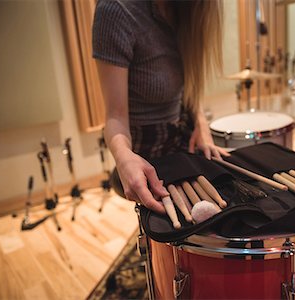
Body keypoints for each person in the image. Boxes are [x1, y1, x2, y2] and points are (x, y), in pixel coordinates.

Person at [92, 0, 229, 214]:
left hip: (181, 139)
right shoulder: (117, 10)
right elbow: (115, 117)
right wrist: (123, 156)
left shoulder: (186, 10)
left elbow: (190, 86)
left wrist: (201, 124)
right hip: (147, 151)